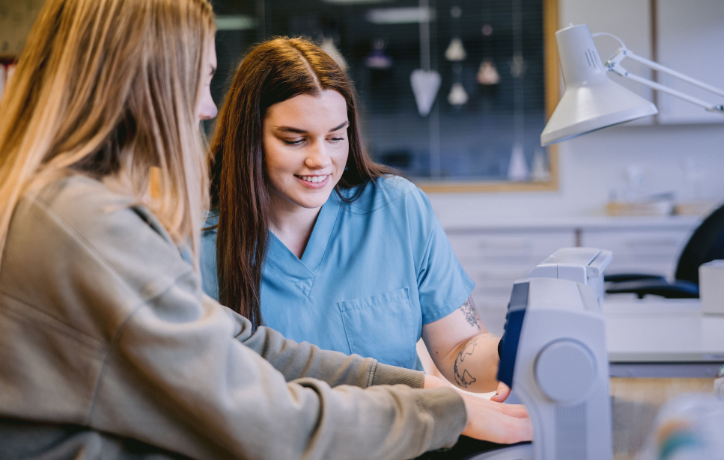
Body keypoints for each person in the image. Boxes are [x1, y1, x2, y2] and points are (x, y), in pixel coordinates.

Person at [0, 0, 530, 458]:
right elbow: (270, 424)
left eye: (336, 136)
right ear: (146, 79)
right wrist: (438, 412)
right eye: (203, 77)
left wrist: (429, 389)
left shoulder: (67, 212)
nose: (209, 106)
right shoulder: (90, 229)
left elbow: (251, 347)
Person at [202, 37, 508, 398]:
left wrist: (517, 349)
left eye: (335, 137)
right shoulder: (196, 243)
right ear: (249, 138)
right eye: (295, 140)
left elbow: (460, 351)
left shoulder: (398, 209)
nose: (321, 159)